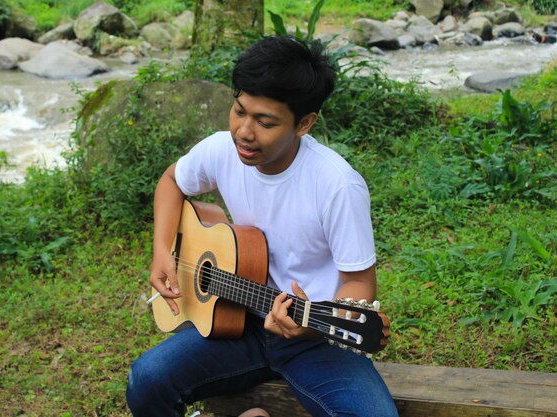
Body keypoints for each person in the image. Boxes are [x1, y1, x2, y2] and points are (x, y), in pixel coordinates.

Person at [126, 35, 398, 417]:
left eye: (265, 122)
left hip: (314, 334)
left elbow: (360, 285)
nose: (244, 132)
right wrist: (161, 252)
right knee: (146, 379)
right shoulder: (222, 150)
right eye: (239, 111)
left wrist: (311, 323)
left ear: (304, 123)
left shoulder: (337, 184)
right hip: (236, 319)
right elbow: (171, 182)